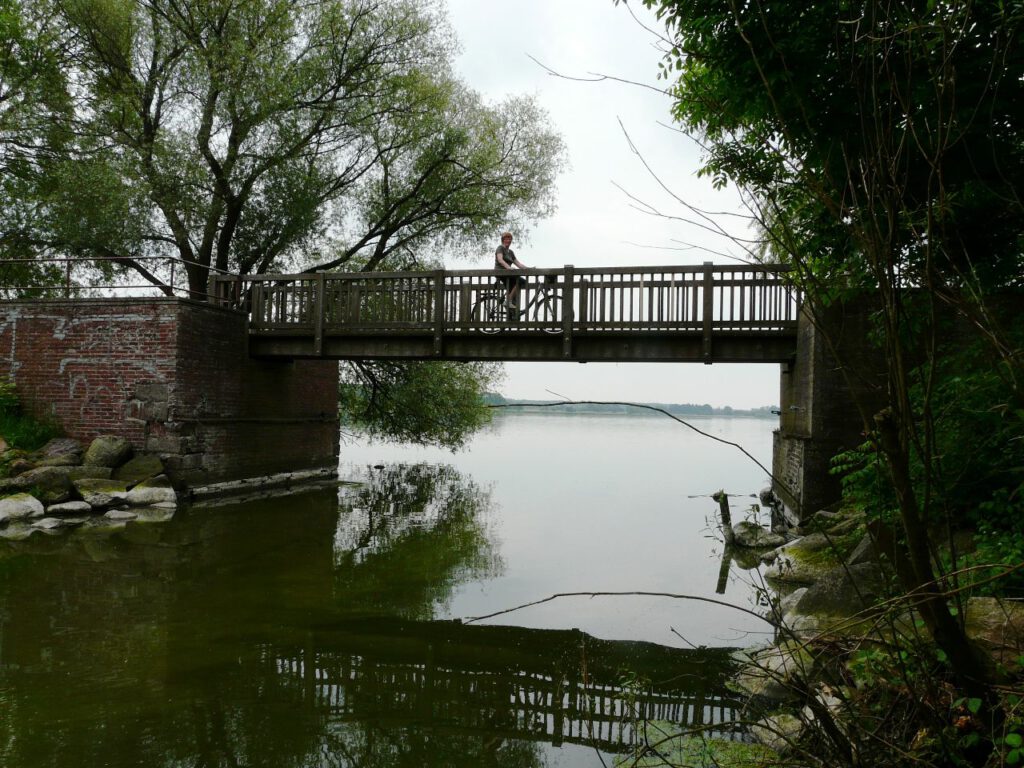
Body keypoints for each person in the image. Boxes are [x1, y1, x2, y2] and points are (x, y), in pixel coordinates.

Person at [494, 232, 527, 309]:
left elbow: (518, 263)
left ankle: (509, 302)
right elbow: (500, 260)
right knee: (520, 280)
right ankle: (508, 300)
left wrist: (528, 269)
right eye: (506, 239)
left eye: (510, 239)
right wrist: (508, 267)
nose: (508, 240)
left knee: (516, 284)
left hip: (508, 273)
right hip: (501, 272)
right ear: (503, 240)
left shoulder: (511, 252)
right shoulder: (500, 248)